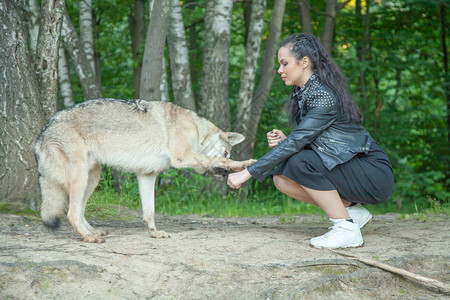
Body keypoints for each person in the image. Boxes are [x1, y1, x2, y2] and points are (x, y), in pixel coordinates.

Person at [227, 33, 394, 249]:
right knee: (282, 178)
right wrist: (288, 140)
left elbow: (300, 144)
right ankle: (352, 213)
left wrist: (246, 172)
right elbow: (311, 141)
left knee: (299, 162)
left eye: (284, 63)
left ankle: (345, 229)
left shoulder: (323, 96)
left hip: (372, 172)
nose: (279, 70)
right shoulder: (304, 93)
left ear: (304, 62)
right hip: (350, 167)